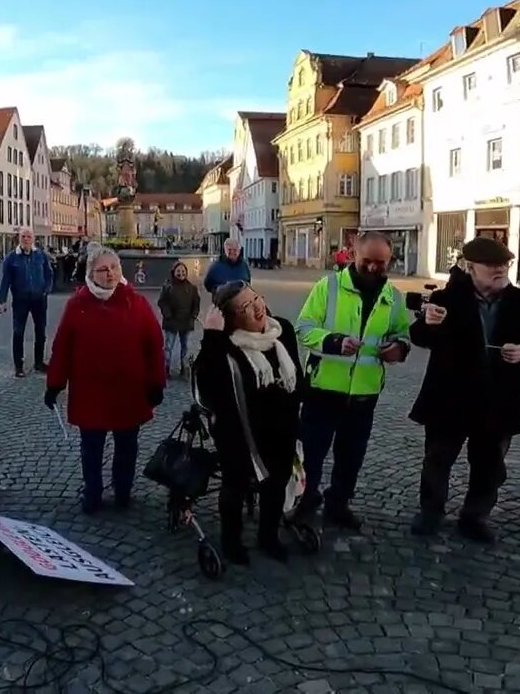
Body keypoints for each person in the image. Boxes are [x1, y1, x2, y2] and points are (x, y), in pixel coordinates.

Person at [407, 238, 520, 542]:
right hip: (450, 397)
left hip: (499, 399)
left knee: (490, 465)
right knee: (438, 459)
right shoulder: (447, 298)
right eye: (492, 265)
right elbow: (420, 337)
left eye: (505, 264)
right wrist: (429, 322)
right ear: (470, 266)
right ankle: (431, 511)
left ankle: (475, 516)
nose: (500, 269)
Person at [294, 232, 410, 529]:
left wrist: (398, 349)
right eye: (366, 261)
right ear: (352, 255)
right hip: (322, 389)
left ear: (389, 261)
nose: (373, 268)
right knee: (312, 453)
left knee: (351, 456)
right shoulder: (328, 287)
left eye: (380, 263)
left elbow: (401, 333)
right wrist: (333, 341)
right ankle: (303, 499)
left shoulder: (393, 297)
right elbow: (303, 328)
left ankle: (338, 503)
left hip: (364, 393)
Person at [45, 246, 166, 514]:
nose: (110, 273)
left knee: (127, 446)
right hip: (91, 391)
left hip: (129, 390)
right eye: (103, 269)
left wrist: (157, 382)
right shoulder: (77, 304)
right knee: (91, 449)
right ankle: (93, 492)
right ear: (91, 273)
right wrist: (55, 383)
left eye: (114, 267)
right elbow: (62, 347)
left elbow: (154, 346)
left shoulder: (136, 302)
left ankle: (123, 491)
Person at [193, 282, 304, 563]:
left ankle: (268, 537)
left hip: (280, 429)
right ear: (230, 318)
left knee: (276, 485)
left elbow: (297, 378)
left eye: (256, 298)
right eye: (245, 306)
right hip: (238, 434)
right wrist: (211, 336)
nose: (258, 307)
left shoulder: (282, 330)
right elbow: (209, 389)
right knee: (235, 487)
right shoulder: (223, 346)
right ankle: (231, 542)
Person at [0, 228, 54, 378]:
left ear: (33, 239)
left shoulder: (40, 255)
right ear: (19, 238)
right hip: (20, 300)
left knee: (41, 331)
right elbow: (6, 280)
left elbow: (49, 274)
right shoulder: (11, 258)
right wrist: (2, 300)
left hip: (39, 299)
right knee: (18, 332)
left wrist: (46, 290)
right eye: (23, 236)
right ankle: (19, 366)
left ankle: (39, 362)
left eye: (29, 237)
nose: (26, 239)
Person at [158, 261, 201, 379]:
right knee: (168, 347)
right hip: (171, 322)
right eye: (178, 271)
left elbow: (196, 304)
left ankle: (184, 368)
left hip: (186, 322)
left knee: (185, 347)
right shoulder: (167, 286)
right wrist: (167, 314)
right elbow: (162, 302)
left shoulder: (192, 288)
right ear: (174, 272)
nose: (181, 273)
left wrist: (193, 316)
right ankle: (166, 369)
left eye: (183, 271)